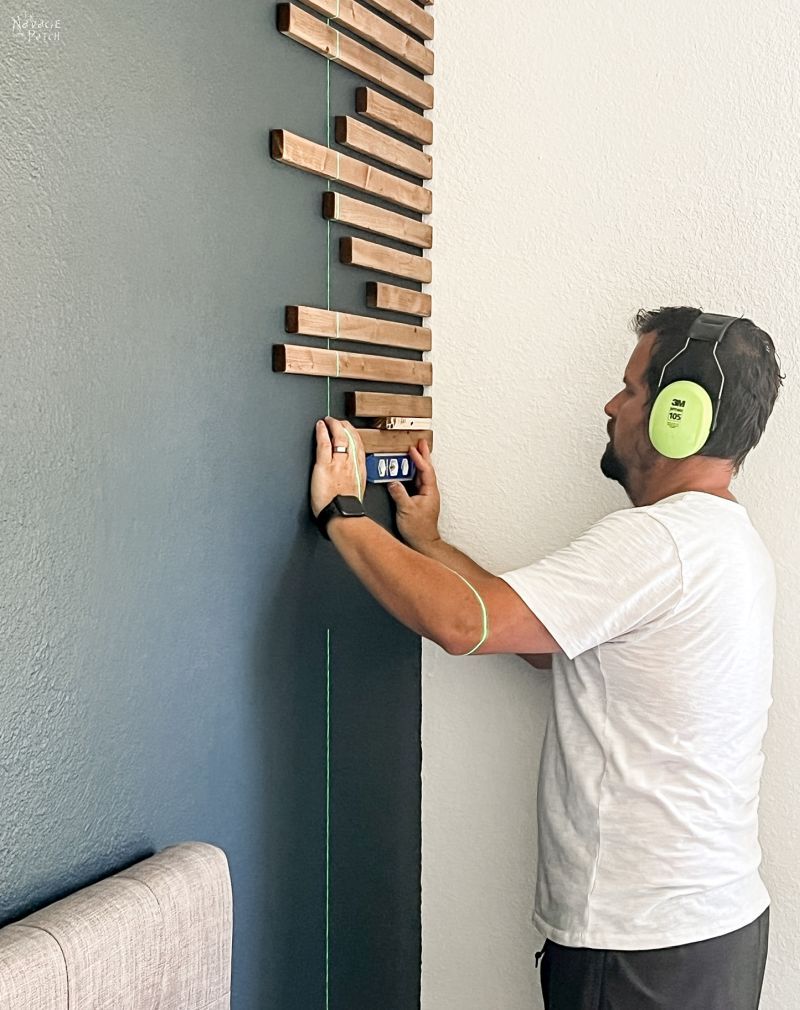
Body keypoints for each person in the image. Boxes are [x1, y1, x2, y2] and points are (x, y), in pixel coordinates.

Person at [308, 306, 784, 1009]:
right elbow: (535, 638)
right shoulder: (723, 543)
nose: (612, 405)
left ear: (679, 414)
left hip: (643, 943)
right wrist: (429, 542)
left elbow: (461, 623)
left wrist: (341, 515)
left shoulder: (658, 543)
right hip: (707, 932)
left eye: (630, 389)